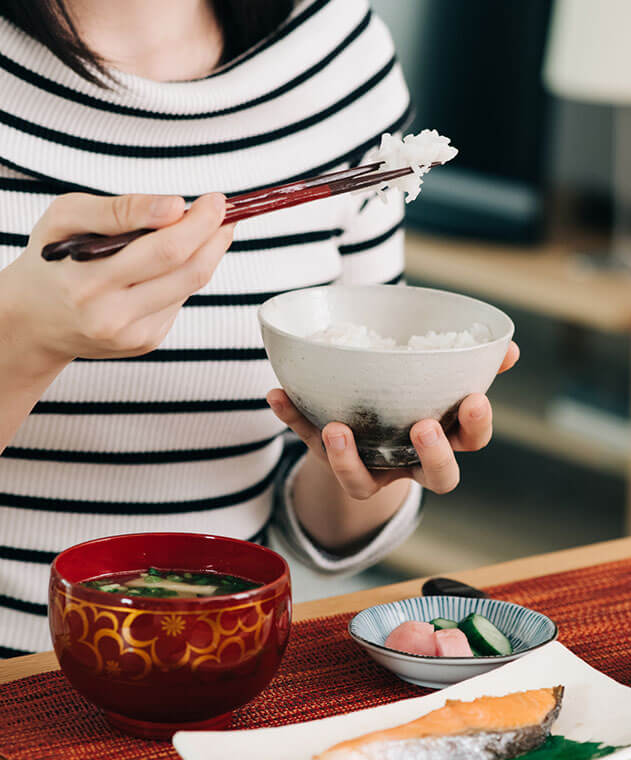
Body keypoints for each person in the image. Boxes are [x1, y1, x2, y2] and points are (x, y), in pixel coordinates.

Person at [0, 0, 519, 657]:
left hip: (230, 661)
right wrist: (21, 337)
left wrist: (378, 455)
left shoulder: (336, 51)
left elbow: (320, 527)